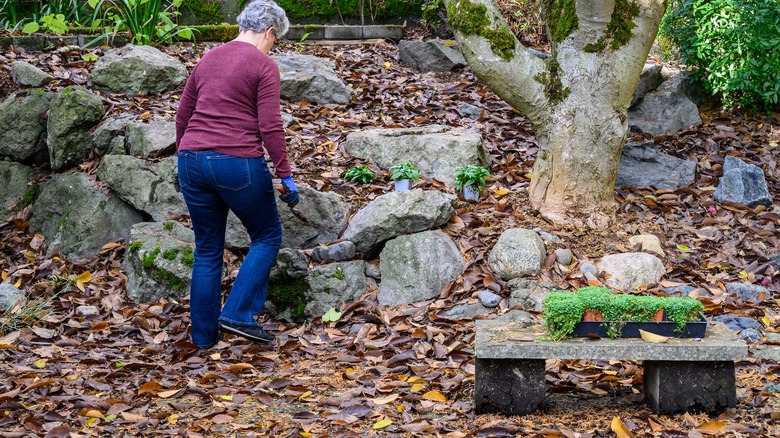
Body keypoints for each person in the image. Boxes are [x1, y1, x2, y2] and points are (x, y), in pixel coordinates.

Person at [175, 0, 298, 349]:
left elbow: (182, 115)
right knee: (267, 236)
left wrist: (184, 156)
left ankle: (203, 340)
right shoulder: (263, 65)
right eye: (276, 40)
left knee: (207, 248)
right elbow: (270, 126)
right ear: (270, 32)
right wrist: (285, 175)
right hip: (236, 162)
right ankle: (238, 313)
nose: (274, 46)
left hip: (191, 160)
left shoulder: (209, 58)